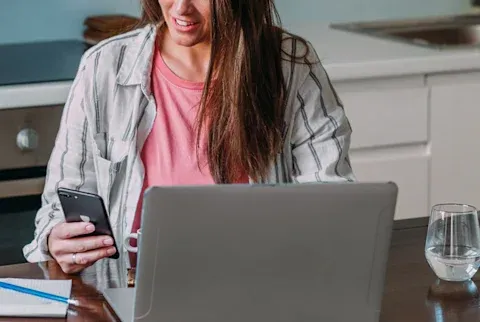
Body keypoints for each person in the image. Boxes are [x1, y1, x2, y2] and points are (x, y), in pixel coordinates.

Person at [23, 0, 355, 274]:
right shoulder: (104, 67)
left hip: (257, 288)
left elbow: (331, 200)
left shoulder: (290, 65)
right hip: (129, 293)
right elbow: (58, 206)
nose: (181, 8)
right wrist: (56, 239)